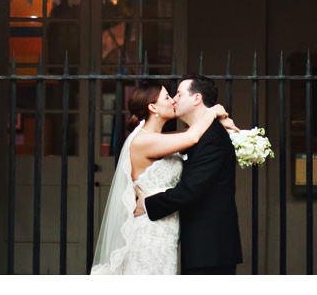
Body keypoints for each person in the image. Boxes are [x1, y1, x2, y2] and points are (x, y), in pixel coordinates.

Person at [90, 80, 233, 275]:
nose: (173, 100)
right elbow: (191, 137)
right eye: (167, 97)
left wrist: (220, 122)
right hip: (150, 228)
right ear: (152, 107)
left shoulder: (162, 138)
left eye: (176, 95)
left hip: (166, 228)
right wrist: (212, 112)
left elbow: (191, 135)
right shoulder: (144, 140)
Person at [135, 74, 243, 275]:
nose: (174, 99)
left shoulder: (211, 137)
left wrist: (148, 204)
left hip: (210, 249)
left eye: (178, 93)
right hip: (199, 247)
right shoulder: (197, 135)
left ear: (196, 98)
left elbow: (190, 190)